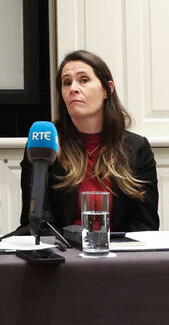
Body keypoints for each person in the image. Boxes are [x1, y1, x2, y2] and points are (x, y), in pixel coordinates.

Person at [19, 50, 159, 232]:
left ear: (107, 90)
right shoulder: (46, 145)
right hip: (63, 254)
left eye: (84, 80)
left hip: (119, 255)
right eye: (66, 83)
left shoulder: (137, 148)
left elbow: (145, 225)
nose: (73, 89)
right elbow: (36, 223)